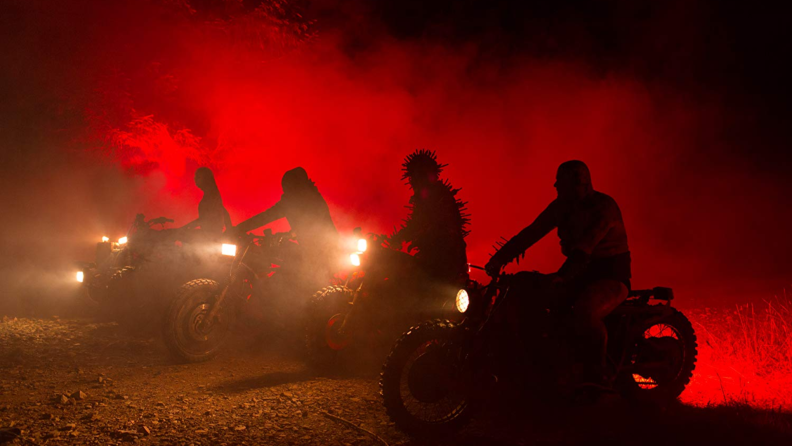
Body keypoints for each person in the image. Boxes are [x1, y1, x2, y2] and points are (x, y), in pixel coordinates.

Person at [485, 160, 631, 387]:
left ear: (580, 184)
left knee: (586, 310)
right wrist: (498, 259)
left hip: (609, 276)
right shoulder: (562, 206)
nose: (555, 186)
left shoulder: (603, 208)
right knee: (526, 290)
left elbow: (585, 247)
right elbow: (532, 232)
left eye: (561, 183)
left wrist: (562, 276)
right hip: (579, 272)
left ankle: (598, 372)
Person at [234, 167, 339, 283]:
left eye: (288, 188)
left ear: (294, 186)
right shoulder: (311, 196)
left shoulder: (304, 201)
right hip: (320, 254)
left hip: (319, 257)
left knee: (283, 281)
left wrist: (237, 230)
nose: (285, 192)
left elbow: (265, 217)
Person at [389, 149, 470, 286]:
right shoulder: (425, 198)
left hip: (445, 260)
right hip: (433, 257)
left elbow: (432, 224)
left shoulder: (438, 196)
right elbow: (417, 223)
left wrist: (400, 238)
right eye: (411, 177)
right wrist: (397, 238)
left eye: (416, 176)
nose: (413, 181)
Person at [180, 167, 232, 242]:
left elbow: (205, 219)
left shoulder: (211, 196)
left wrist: (187, 227)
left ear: (206, 179)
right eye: (195, 176)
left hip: (210, 237)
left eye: (198, 177)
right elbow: (224, 212)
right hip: (210, 235)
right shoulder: (211, 195)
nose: (195, 179)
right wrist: (229, 229)